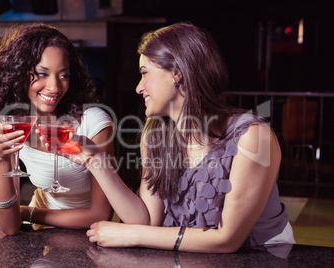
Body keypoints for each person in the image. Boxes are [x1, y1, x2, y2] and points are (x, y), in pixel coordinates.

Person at [56, 22, 295, 253]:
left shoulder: (253, 136)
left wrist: (133, 234)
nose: (139, 87)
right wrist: (96, 162)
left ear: (177, 73)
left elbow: (227, 239)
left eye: (144, 73)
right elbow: (147, 219)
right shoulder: (155, 133)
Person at [0, 22, 114, 235]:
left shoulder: (93, 122)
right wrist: (2, 161)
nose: (55, 87)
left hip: (97, 236)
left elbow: (100, 215)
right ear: (18, 72)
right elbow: (9, 227)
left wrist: (28, 212)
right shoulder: (7, 129)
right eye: (42, 73)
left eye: (63, 75)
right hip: (46, 235)